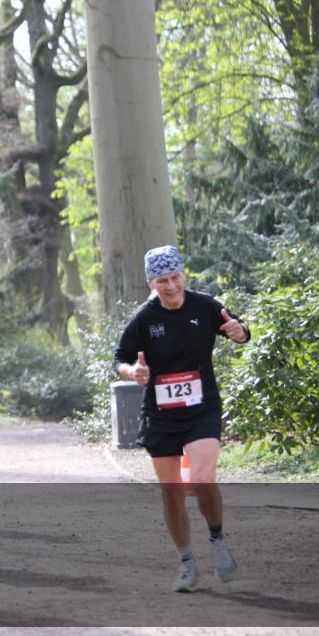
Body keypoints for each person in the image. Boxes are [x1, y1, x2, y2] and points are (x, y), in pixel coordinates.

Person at [113, 245, 248, 593]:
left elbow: (238, 329)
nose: (171, 286)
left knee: (202, 480)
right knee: (171, 493)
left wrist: (241, 333)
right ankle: (187, 563)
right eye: (162, 281)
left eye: (175, 277)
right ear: (151, 283)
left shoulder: (205, 306)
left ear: (184, 275)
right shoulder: (144, 318)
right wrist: (132, 372)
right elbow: (120, 358)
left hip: (202, 409)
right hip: (161, 415)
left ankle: (217, 540)